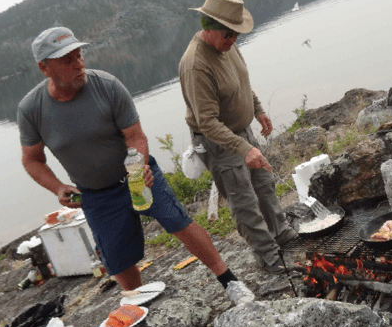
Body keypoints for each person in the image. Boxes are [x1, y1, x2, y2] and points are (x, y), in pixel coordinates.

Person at [18, 27, 256, 305]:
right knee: (117, 257)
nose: (79, 63)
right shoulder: (32, 109)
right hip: (96, 194)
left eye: (79, 54)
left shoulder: (106, 86)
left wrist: (140, 166)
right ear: (44, 67)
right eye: (67, 59)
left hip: (138, 176)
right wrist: (57, 187)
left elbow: (135, 136)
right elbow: (32, 160)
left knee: (178, 221)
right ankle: (139, 303)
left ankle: (229, 281)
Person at [178, 0, 297, 274]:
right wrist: (244, 149)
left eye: (236, 34)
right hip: (218, 141)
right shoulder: (196, 64)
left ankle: (281, 234)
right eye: (227, 34)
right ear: (207, 26)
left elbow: (241, 81)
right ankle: (268, 256)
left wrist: (257, 109)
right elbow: (207, 122)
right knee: (243, 200)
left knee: (264, 183)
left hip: (241, 130)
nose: (233, 40)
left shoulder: (227, 45)